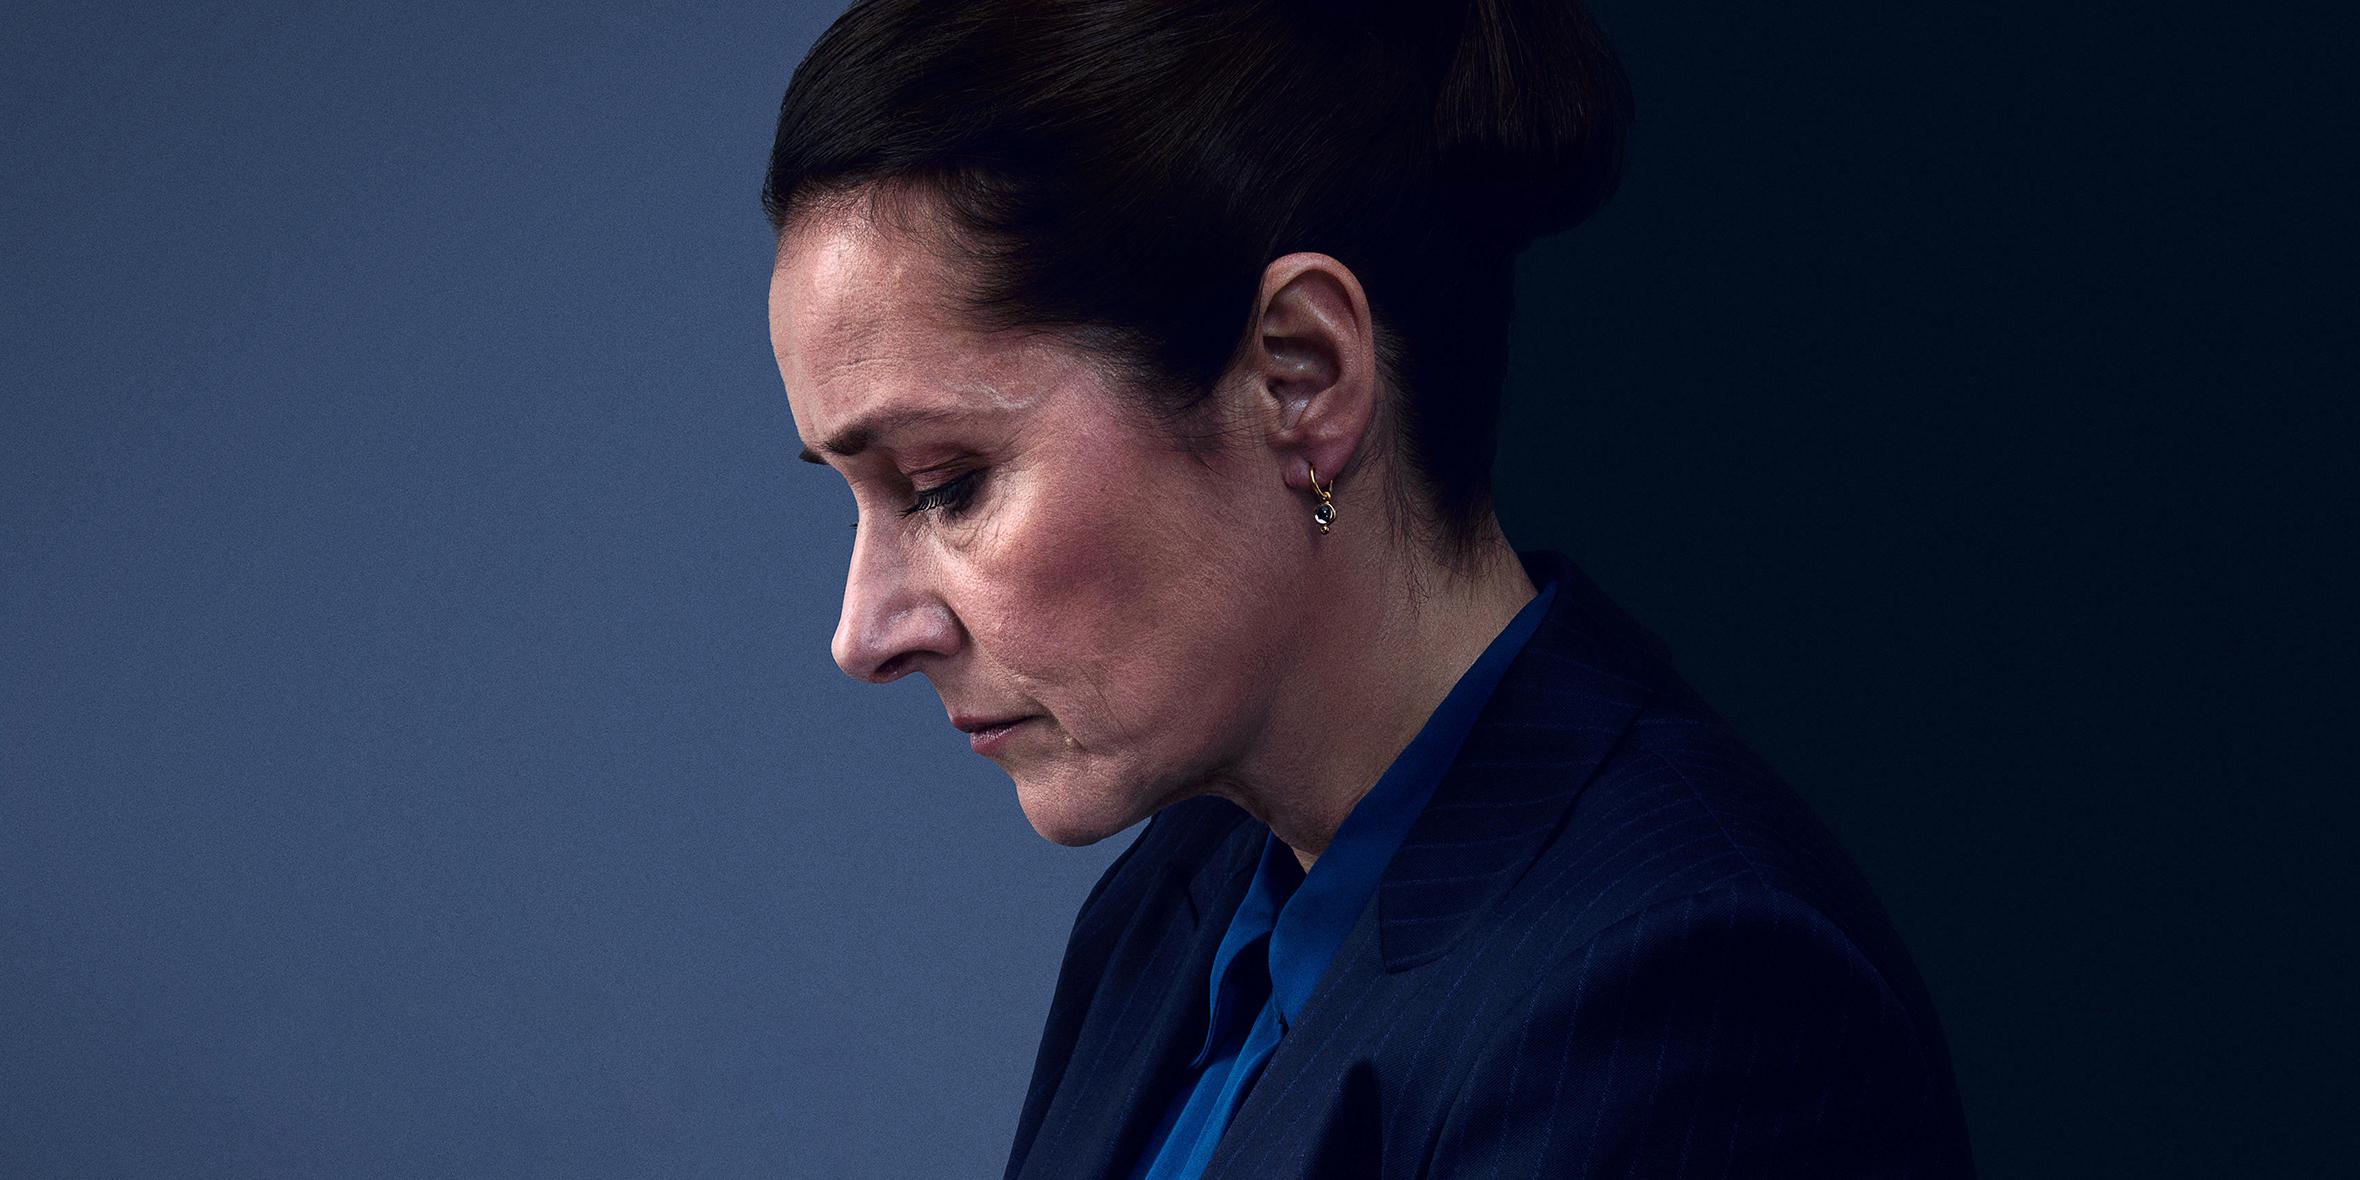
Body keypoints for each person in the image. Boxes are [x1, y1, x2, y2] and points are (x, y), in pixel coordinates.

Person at [762, 0, 1974, 1175]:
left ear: (1300, 377)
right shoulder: (1177, 900)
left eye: (947, 482)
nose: (862, 634)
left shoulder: (1688, 996)